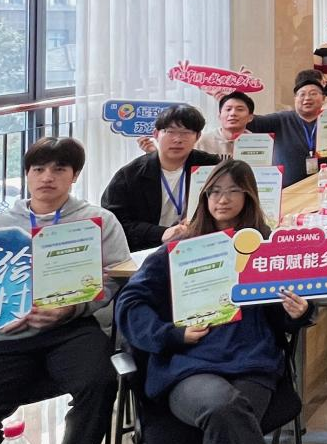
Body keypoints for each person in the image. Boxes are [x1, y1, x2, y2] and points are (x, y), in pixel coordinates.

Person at [0, 137, 130, 444]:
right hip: (6, 337)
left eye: (59, 169)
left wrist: (71, 308)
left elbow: (114, 278)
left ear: (74, 175)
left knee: (99, 384)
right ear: (27, 174)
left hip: (72, 328)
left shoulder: (99, 221)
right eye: (38, 169)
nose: (47, 177)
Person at [115, 160, 316, 444]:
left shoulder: (265, 248)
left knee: (229, 419)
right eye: (215, 191)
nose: (222, 199)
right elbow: (130, 302)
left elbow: (281, 312)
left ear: (248, 196)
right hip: (189, 366)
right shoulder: (180, 249)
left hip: (252, 364)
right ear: (205, 196)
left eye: (233, 191)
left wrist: (298, 311)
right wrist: (172, 334)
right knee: (224, 409)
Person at [104, 105, 222, 250]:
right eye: (170, 132)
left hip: (197, 245)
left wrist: (199, 220)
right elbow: (115, 222)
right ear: (156, 134)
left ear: (197, 137)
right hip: (147, 248)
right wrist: (161, 233)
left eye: (186, 132)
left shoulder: (211, 166)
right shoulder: (130, 175)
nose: (178, 139)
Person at [247, 70, 327, 189]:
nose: (307, 98)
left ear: (323, 99)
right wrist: (237, 91)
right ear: (295, 99)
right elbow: (249, 121)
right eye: (302, 94)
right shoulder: (280, 120)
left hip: (325, 189)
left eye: (313, 93)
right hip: (289, 191)